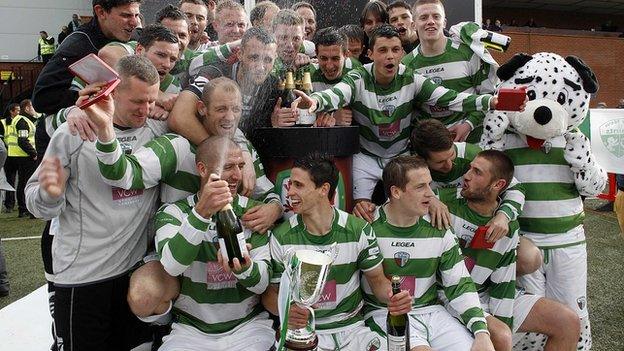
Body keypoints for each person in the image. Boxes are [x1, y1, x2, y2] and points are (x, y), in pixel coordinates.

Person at [82, 76, 282, 327]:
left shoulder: (242, 148)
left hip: (225, 247)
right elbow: (123, 174)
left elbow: (270, 194)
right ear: (202, 109)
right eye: (221, 109)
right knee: (145, 294)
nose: (230, 117)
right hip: (177, 242)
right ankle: (171, 326)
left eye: (236, 109)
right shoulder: (176, 146)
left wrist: (274, 208)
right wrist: (104, 129)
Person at [25, 55, 165, 351]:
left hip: (131, 276)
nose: (146, 110)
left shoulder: (157, 131)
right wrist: (50, 194)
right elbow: (37, 203)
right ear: (112, 93)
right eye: (138, 102)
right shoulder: (73, 133)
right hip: (83, 278)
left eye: (152, 101)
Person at [293, 25, 499, 224]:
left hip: (401, 156)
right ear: (370, 54)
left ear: (402, 53)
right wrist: (316, 101)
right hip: (366, 157)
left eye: (395, 50)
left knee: (418, 210)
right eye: (382, 50)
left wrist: (490, 101)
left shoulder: (411, 78)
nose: (389, 56)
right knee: (361, 212)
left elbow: (450, 98)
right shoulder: (357, 77)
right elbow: (337, 93)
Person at [263, 153, 413, 350]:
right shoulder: (281, 237)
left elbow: (378, 282)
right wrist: (286, 310)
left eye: (298, 185)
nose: (289, 192)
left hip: (352, 330)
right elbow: (269, 296)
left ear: (323, 189)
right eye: (289, 185)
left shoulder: (359, 230)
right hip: (303, 333)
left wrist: (395, 297)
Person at [438, 150, 581, 351]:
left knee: (568, 321)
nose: (467, 175)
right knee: (500, 335)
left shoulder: (507, 225)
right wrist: (430, 199)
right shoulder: (444, 204)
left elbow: (503, 280)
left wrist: (501, 322)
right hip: (451, 296)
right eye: (470, 168)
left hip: (488, 295)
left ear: (498, 185)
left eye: (477, 172)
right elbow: (404, 202)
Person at [364, 155, 495, 351]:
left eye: (429, 185)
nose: (430, 194)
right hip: (385, 314)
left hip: (432, 312)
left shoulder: (439, 226)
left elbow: (459, 283)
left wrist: (481, 331)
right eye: (420, 187)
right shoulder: (367, 228)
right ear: (396, 192)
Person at [155, 135, 275, 350]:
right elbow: (172, 266)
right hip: (190, 331)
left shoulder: (255, 213)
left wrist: (244, 268)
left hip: (248, 329)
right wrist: (201, 213)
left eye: (241, 166)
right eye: (228, 167)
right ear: (202, 169)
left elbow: (262, 283)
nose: (237, 175)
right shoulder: (173, 212)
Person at [410, 119, 542, 276]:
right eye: (440, 162)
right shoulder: (411, 168)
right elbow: (398, 202)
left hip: (482, 230)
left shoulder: (472, 155)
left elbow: (515, 187)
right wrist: (429, 199)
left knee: (529, 257)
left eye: (451, 155)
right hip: (439, 234)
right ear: (421, 159)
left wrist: (503, 216)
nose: (449, 165)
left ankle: (491, 285)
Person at [402, 0, 499, 143]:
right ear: (413, 24)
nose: (430, 21)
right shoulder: (406, 64)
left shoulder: (467, 54)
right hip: (432, 146)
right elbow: (412, 110)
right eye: (423, 17)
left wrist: (469, 124)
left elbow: (489, 93)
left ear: (444, 22)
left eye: (436, 16)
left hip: (472, 139)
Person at [172, 27, 280, 145]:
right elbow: (179, 116)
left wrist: (277, 125)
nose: (261, 67)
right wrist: (220, 150)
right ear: (240, 54)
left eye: (268, 60)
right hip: (208, 145)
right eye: (254, 58)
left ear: (275, 58)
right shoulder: (214, 73)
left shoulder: (274, 85)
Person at [32, 0, 141, 115]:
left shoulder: (132, 34)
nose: (134, 22)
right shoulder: (77, 46)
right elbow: (41, 98)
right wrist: (83, 95)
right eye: (126, 15)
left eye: (137, 15)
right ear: (101, 12)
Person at [2, 103, 20, 213]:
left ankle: (21, 203)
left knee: (22, 181)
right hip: (9, 155)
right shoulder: (4, 123)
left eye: (19, 110)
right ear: (11, 111)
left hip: (21, 154)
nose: (18, 112)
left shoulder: (22, 120)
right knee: (10, 181)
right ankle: (9, 204)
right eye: (17, 110)